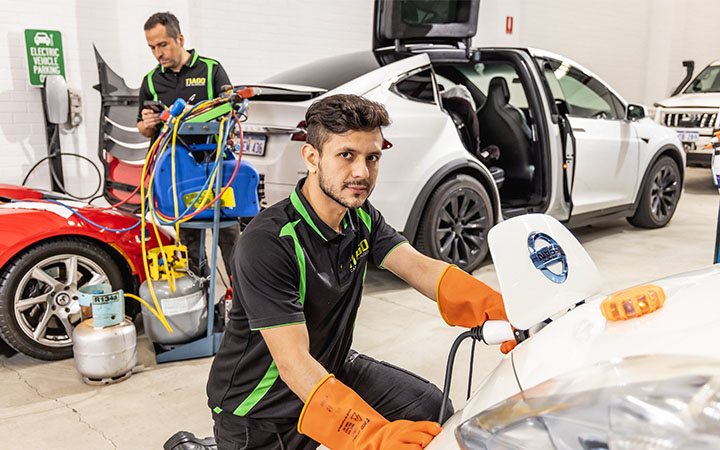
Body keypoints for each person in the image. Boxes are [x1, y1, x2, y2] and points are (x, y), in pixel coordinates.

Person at [206, 94, 515, 450]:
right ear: (312, 158)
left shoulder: (361, 216)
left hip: (332, 367)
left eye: (372, 157)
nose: (362, 173)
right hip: (260, 409)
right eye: (346, 155)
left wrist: (493, 305)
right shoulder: (270, 242)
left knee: (431, 411)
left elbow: (415, 264)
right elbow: (292, 363)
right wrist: (369, 434)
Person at [136, 11, 240, 278]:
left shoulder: (210, 69)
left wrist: (196, 112)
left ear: (179, 38)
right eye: (152, 48)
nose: (158, 53)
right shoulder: (151, 81)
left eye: (163, 44)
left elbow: (231, 109)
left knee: (228, 234)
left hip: (214, 168)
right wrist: (147, 124)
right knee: (189, 240)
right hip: (178, 172)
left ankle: (238, 298)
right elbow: (143, 127)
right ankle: (198, 299)